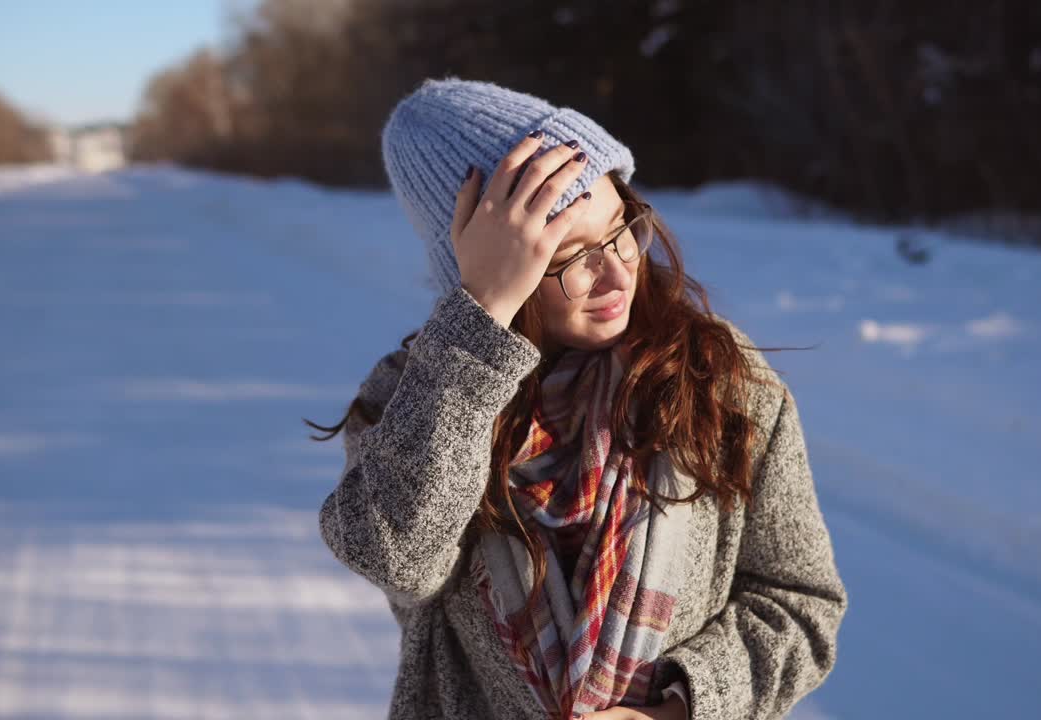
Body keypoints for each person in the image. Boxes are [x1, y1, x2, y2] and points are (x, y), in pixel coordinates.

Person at [308, 77, 848, 720]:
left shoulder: (715, 379)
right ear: (492, 269)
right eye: (569, 258)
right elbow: (398, 557)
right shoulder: (416, 394)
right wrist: (479, 318)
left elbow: (800, 604)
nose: (619, 271)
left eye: (622, 229)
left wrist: (673, 712)